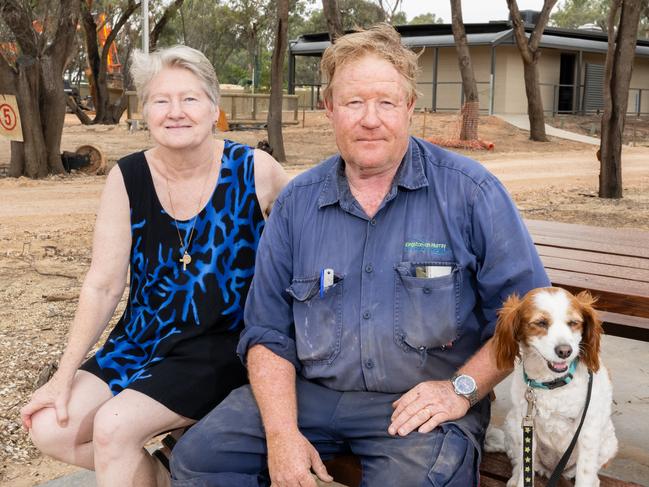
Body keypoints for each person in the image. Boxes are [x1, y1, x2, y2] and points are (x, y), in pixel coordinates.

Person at [171, 24, 550, 487]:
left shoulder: (472, 194)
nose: (370, 119)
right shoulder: (296, 205)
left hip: (421, 403)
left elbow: (529, 319)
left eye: (386, 102)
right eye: (353, 102)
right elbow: (267, 332)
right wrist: (282, 431)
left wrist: (460, 390)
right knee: (200, 459)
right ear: (329, 108)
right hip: (309, 395)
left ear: (410, 108)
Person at [20, 45, 287, 487]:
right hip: (142, 339)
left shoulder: (255, 170)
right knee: (49, 426)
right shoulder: (127, 177)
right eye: (161, 100)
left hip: (219, 343)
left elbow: (310, 239)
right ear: (144, 110)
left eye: (190, 99)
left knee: (113, 428)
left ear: (214, 107)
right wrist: (63, 377)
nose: (175, 112)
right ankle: (167, 475)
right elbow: (103, 285)